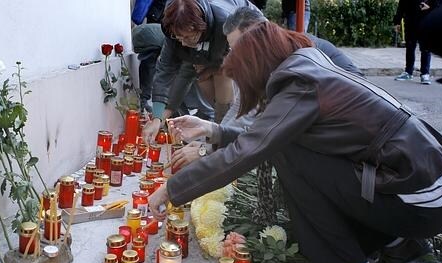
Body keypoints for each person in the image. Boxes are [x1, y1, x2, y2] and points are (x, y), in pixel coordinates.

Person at [149, 21, 442, 263]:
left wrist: (171, 189)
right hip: (425, 186)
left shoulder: (298, 84)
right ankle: (398, 242)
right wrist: (213, 130)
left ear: (257, 65)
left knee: (289, 155)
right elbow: (265, 137)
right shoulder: (307, 65)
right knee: (290, 148)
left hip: (418, 197)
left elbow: (253, 148)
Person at [171, 6, 364, 170]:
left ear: (259, 34)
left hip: (349, 136)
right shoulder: (263, 56)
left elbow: (264, 132)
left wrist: (208, 149)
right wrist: (211, 136)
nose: (236, 55)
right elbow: (241, 107)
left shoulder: (292, 58)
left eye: (240, 46)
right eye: (232, 49)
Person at [141, 0, 259, 144]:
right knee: (199, 72)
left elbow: (249, 80)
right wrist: (157, 118)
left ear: (201, 26)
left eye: (188, 37)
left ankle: (221, 135)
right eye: (179, 38)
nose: (183, 43)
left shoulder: (227, 22)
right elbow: (166, 71)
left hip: (240, 48)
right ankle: (217, 129)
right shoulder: (176, 31)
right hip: (212, 52)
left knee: (222, 74)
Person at [132, 23, 213, 118]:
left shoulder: (183, 47)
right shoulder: (153, 54)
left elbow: (183, 78)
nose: (153, 60)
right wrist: (144, 100)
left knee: (185, 85)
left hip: (197, 72)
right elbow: (149, 74)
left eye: (154, 55)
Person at [393, 0, 438, 84]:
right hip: (410, 21)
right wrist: (397, 21)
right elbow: (402, 5)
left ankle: (425, 74)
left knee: (426, 48)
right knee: (410, 47)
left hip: (426, 20)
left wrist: (430, 5)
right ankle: (408, 72)